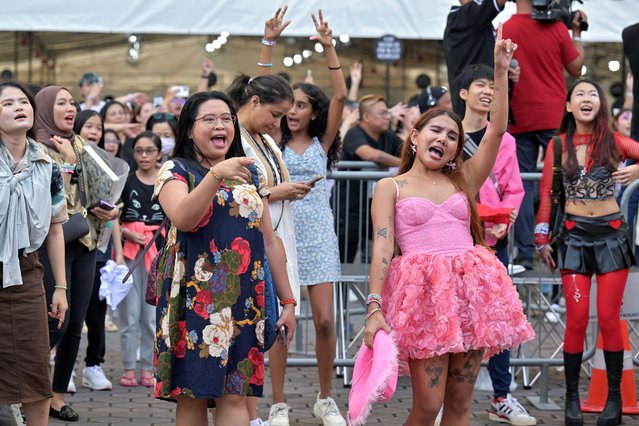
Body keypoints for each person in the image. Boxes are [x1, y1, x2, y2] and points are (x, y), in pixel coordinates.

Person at [364, 26, 534, 426]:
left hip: (471, 291)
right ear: (416, 135)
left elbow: (497, 129)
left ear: (458, 148)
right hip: (425, 297)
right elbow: (383, 247)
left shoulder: (464, 180)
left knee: (460, 405)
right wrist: (374, 306)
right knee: (427, 405)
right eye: (436, 130)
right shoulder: (390, 186)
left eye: (453, 136)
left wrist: (499, 72)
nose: (444, 138)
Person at [153, 90, 297, 426]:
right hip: (194, 299)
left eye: (227, 119)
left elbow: (270, 242)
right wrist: (216, 175)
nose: (221, 126)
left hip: (243, 301)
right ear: (189, 129)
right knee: (193, 394)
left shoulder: (249, 174)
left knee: (235, 393)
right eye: (209, 119)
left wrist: (287, 301)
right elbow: (184, 218)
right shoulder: (175, 170)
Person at [534, 78, 639, 426]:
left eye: (593, 93)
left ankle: (614, 400)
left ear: (600, 105)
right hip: (574, 240)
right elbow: (549, 193)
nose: (586, 98)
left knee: (609, 320)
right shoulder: (557, 144)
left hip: (611, 239)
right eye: (579, 93)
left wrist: (638, 168)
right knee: (577, 319)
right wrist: (541, 238)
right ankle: (571, 400)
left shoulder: (615, 141)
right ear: (568, 106)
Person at [278, 10, 348, 426]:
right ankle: (278, 403)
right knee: (284, 321)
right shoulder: (272, 141)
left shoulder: (323, 141)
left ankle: (325, 399)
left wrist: (328, 45)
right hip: (282, 231)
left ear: (313, 111)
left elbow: (341, 96)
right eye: (289, 104)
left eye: (301, 105)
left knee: (324, 320)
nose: (293, 110)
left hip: (319, 232)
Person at [35, 85, 120, 422]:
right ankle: (32, 393)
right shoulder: (36, 148)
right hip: (53, 243)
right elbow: (56, 204)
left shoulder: (81, 145)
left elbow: (95, 189)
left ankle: (56, 397)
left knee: (74, 324)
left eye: (73, 102)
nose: (70, 108)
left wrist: (110, 208)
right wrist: (69, 165)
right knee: (54, 322)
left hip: (85, 241)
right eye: (61, 103)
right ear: (44, 108)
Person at [457, 63, 534, 425]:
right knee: (453, 316)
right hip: (453, 237)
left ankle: (502, 396)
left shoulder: (505, 139)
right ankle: (448, 397)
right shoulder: (446, 133)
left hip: (493, 238)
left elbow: (514, 188)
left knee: (498, 318)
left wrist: (507, 220)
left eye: (492, 86)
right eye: (480, 85)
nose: (487, 91)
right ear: (463, 93)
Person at [228, 70, 306, 425]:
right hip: (245, 242)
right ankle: (247, 413)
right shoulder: (232, 136)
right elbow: (234, 194)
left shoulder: (260, 137)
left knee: (257, 330)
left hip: (271, 236)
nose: (277, 123)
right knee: (246, 332)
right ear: (254, 101)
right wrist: (277, 193)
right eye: (275, 114)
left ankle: (253, 414)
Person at [0, 81, 68, 426]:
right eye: (7, 103)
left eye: (23, 101)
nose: (18, 107)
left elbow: (56, 228)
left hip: (27, 272)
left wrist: (61, 288)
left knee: (35, 364)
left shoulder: (47, 165)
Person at [503, 0, 587, 270]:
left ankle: (525, 250)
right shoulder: (556, 28)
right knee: (566, 180)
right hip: (554, 116)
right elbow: (576, 68)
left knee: (523, 185)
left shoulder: (505, 27)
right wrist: (577, 33)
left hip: (518, 116)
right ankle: (566, 245)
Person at [72, 109, 119, 391]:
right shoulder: (66, 159)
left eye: (98, 127)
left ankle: (93, 366)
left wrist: (112, 219)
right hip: (70, 243)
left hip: (100, 247)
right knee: (70, 312)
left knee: (96, 312)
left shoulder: (110, 165)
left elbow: (116, 215)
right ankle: (63, 369)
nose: (94, 131)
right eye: (88, 126)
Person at [119, 131, 164, 388]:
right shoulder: (126, 180)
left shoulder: (166, 180)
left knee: (151, 316)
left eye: (149, 151)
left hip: (158, 253)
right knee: (130, 314)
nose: (144, 156)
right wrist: (126, 232)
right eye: (139, 151)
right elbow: (114, 216)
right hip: (130, 253)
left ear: (159, 153)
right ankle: (127, 368)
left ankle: (148, 367)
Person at [337, 94, 402, 263]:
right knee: (345, 257)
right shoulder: (354, 133)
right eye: (382, 113)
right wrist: (402, 163)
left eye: (388, 113)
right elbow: (369, 154)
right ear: (366, 116)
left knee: (387, 251)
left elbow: (410, 150)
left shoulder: (388, 136)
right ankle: (341, 291)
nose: (388, 117)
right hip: (349, 208)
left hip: (376, 208)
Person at [443, 0, 509, 117]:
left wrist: (505, 70)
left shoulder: (475, 21)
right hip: (472, 112)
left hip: (480, 109)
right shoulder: (465, 16)